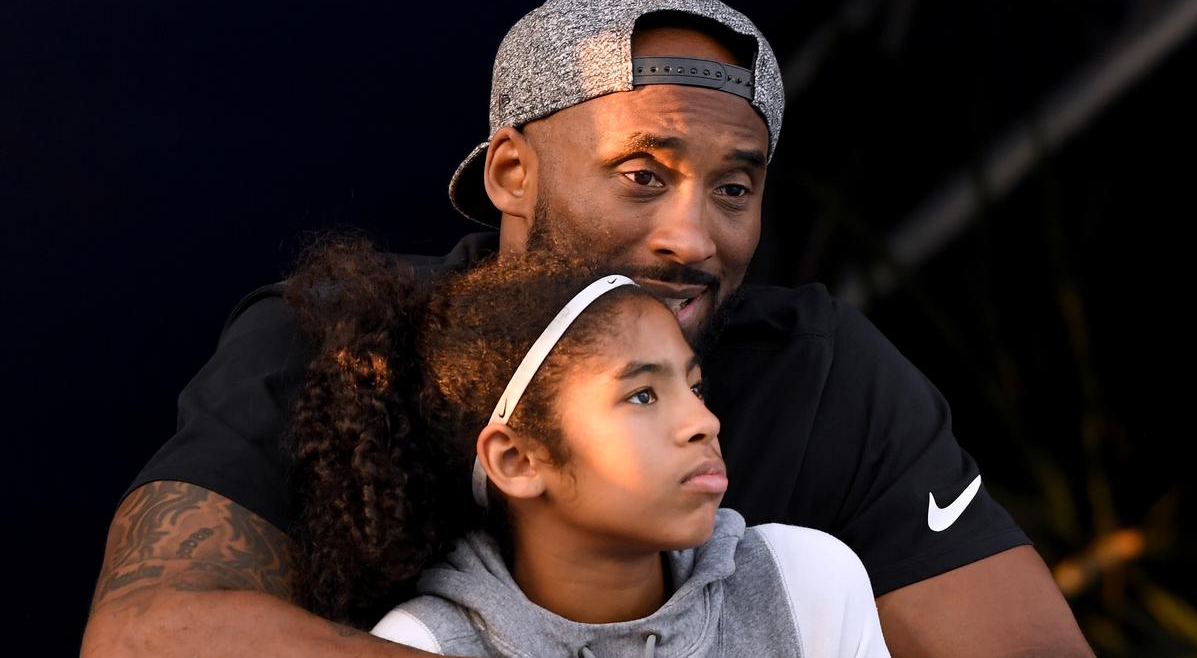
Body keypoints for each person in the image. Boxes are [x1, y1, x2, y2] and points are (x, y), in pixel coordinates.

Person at [83, 0, 1092, 657]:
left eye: (734, 188)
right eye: (641, 175)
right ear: (511, 172)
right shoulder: (343, 340)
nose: (693, 237)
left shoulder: (822, 379)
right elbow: (147, 628)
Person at [283, 240, 889, 656]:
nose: (702, 421)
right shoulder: (420, 646)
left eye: (695, 386)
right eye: (644, 396)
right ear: (516, 461)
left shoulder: (802, 582)